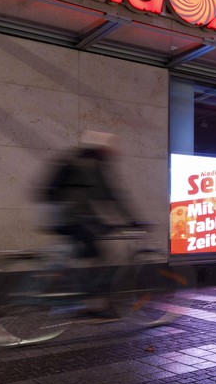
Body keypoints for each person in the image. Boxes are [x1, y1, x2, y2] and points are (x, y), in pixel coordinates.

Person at [39, 131, 140, 310]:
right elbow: (109, 195)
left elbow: (93, 197)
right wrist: (133, 220)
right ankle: (88, 300)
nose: (108, 156)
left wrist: (105, 222)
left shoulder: (77, 161)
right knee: (99, 254)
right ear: (98, 150)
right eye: (106, 152)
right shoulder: (88, 166)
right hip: (70, 218)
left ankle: (59, 279)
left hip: (63, 216)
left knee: (84, 251)